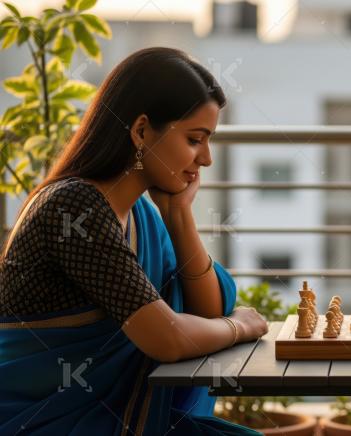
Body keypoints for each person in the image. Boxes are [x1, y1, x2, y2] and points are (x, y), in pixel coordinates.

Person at [0, 47, 269, 435]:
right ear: (142, 131)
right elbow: (168, 339)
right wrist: (241, 326)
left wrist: (178, 216)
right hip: (47, 422)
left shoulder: (139, 214)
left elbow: (207, 313)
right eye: (195, 139)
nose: (206, 158)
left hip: (106, 416)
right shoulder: (73, 208)